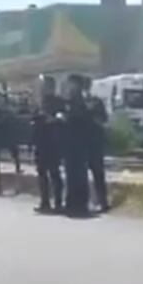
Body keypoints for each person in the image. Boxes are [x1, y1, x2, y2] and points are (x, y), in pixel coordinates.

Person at [61, 74, 95, 218]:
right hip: (71, 142)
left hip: (78, 143)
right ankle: (72, 203)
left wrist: (65, 118)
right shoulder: (71, 101)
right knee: (72, 174)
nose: (69, 87)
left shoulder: (80, 101)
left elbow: (81, 119)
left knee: (78, 174)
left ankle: (79, 204)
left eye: (71, 84)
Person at [32, 75, 65, 214]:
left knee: (54, 173)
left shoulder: (58, 102)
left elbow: (62, 117)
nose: (43, 88)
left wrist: (54, 119)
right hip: (40, 142)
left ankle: (58, 202)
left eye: (45, 85)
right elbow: (34, 118)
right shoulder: (39, 103)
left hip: (53, 142)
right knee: (41, 173)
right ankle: (44, 202)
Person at [87, 87, 110, 212]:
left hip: (93, 142)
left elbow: (103, 120)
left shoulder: (94, 102)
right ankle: (97, 201)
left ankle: (101, 201)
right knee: (96, 174)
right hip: (88, 142)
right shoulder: (90, 102)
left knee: (97, 174)